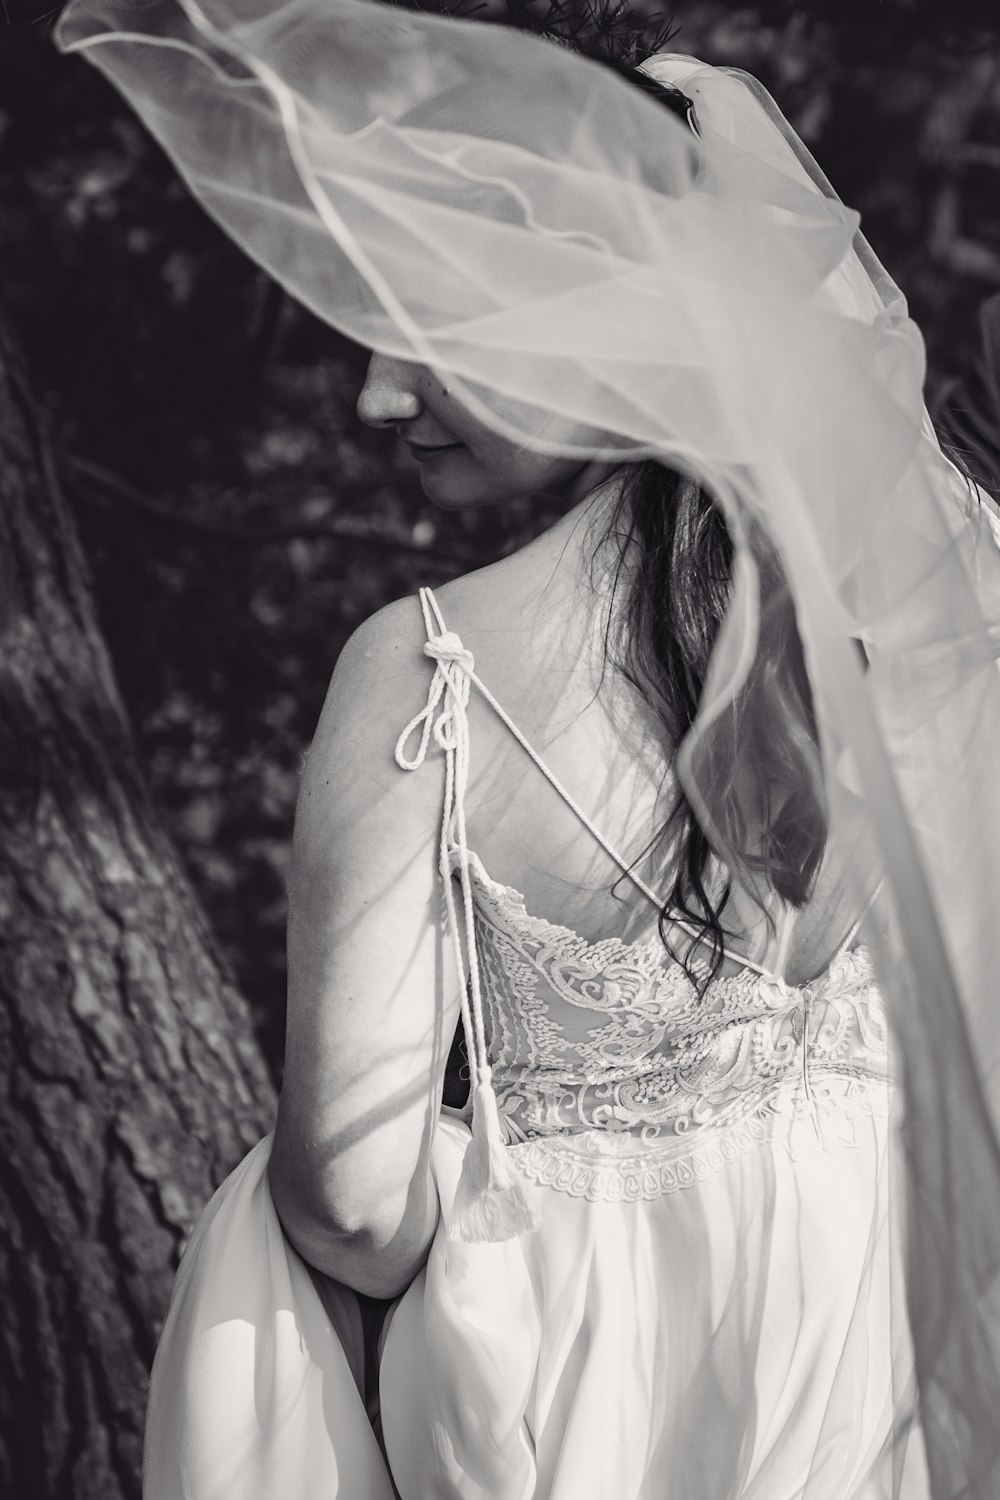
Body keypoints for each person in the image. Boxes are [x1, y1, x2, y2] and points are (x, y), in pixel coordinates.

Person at [54, 4, 1000, 1497]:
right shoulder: (933, 599)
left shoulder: (427, 666)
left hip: (591, 1388)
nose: (376, 395)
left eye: (428, 325)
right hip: (871, 1342)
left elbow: (354, 1204)